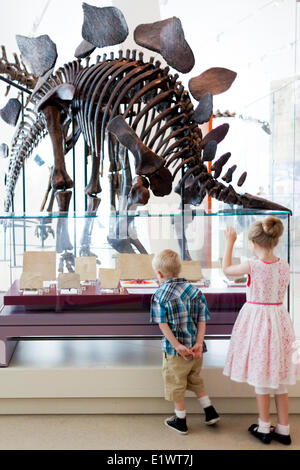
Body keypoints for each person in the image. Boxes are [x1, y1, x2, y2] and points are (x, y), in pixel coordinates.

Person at [222, 216, 300, 445]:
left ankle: (264, 426)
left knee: (261, 375)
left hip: (258, 321)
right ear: (275, 241)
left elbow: (227, 270)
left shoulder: (252, 265)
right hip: (279, 320)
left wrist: (229, 242)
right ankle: (284, 429)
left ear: (253, 242)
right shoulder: (284, 264)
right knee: (280, 379)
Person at [150, 249, 220, 434]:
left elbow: (162, 324)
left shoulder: (160, 295)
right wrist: (198, 343)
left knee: (176, 384)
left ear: (159, 273)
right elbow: (202, 320)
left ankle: (180, 420)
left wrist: (177, 346)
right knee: (195, 379)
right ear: (179, 270)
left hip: (175, 353)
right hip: (196, 351)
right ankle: (209, 410)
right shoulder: (195, 291)